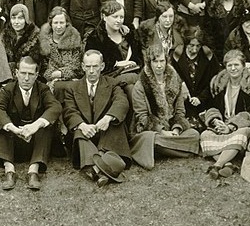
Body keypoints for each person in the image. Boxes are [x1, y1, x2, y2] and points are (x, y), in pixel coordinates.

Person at [61, 50, 131, 187]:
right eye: (88, 67)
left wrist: (107, 118)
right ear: (82, 66)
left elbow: (122, 102)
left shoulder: (112, 83)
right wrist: (82, 125)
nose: (91, 71)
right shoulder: (72, 87)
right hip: (85, 134)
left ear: (102, 66)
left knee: (116, 124)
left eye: (95, 66)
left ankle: (95, 169)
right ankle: (105, 168)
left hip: (105, 133)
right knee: (78, 133)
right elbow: (69, 111)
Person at [130, 43, 200, 169]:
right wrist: (163, 132)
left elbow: (180, 112)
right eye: (155, 61)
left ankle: (166, 149)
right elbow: (143, 117)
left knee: (194, 134)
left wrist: (176, 129)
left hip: (172, 127)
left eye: (162, 61)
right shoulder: (140, 86)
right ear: (149, 62)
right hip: (152, 130)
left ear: (166, 61)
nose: (159, 65)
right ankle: (183, 150)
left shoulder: (175, 80)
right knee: (151, 139)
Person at [0, 56, 61, 190]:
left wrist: (36, 125)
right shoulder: (8, 90)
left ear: (36, 75)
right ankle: (9, 170)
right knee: (2, 126)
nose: (26, 78)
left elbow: (55, 107)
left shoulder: (43, 89)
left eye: (30, 74)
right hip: (13, 142)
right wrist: (14, 129)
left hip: (35, 142)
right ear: (16, 73)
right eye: (23, 73)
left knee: (46, 126)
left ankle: (33, 171)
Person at [199, 50, 250, 179]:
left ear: (243, 66)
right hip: (223, 125)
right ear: (225, 67)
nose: (233, 69)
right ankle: (228, 164)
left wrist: (231, 126)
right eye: (229, 65)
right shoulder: (218, 84)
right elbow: (212, 106)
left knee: (243, 133)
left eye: (236, 65)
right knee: (205, 135)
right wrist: (216, 121)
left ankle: (217, 164)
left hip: (239, 127)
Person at [171, 26, 219, 128]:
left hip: (204, 99)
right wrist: (181, 85)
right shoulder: (176, 55)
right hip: (183, 101)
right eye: (191, 45)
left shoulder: (208, 55)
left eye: (198, 46)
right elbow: (171, 76)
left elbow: (214, 79)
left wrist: (200, 98)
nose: (194, 49)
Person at [83, 1, 142, 81]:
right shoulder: (95, 38)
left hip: (134, 73)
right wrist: (117, 64)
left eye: (121, 17)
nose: (119, 20)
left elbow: (140, 56)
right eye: (115, 17)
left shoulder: (130, 33)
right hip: (110, 78)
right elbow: (93, 64)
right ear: (104, 17)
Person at [38, 6, 83, 84]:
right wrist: (53, 75)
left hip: (72, 81)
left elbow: (77, 67)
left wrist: (61, 73)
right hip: (50, 82)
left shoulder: (74, 40)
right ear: (51, 24)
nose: (58, 26)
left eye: (61, 22)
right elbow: (43, 69)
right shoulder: (44, 42)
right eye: (55, 23)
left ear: (66, 23)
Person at [2, 3, 40, 73]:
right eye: (13, 18)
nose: (16, 22)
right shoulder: (4, 35)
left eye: (20, 18)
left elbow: (34, 61)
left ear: (26, 19)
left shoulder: (34, 36)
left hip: (27, 73)